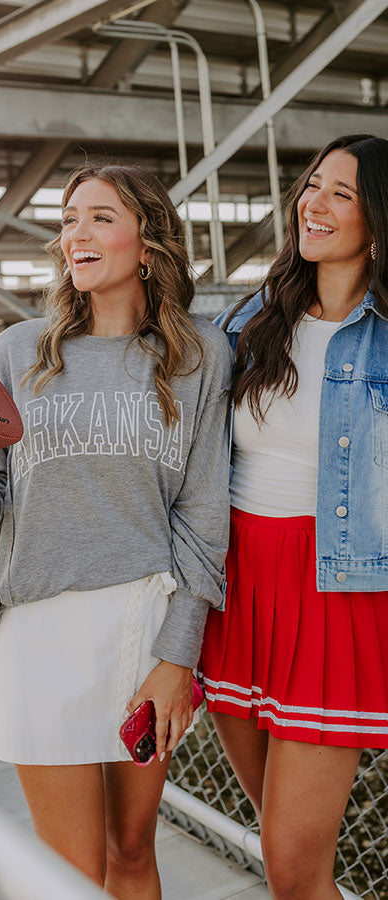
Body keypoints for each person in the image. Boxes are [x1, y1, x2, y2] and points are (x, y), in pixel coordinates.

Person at [0, 163, 232, 898]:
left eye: (100, 217)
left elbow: (203, 518)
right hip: (36, 632)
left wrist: (178, 657)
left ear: (148, 244)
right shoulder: (21, 352)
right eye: (69, 219)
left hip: (142, 628)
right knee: (70, 873)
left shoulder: (198, 357)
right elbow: (1, 514)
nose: (76, 232)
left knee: (132, 852)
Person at [199, 134, 388, 899]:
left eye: (341, 193)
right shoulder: (253, 318)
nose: (316, 202)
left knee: (290, 866)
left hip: (332, 590)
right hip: (237, 582)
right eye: (313, 185)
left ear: (376, 220)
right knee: (289, 856)